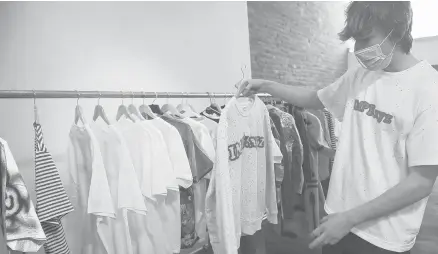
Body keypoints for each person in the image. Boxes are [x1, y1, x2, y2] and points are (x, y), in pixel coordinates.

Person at [239, 2, 438, 254]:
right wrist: (266, 85)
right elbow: (315, 98)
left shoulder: (429, 90)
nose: (359, 50)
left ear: (397, 31)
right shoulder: (361, 75)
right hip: (337, 218)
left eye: (366, 39)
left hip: (383, 237)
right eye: (356, 40)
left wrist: (350, 218)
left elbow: (420, 182)